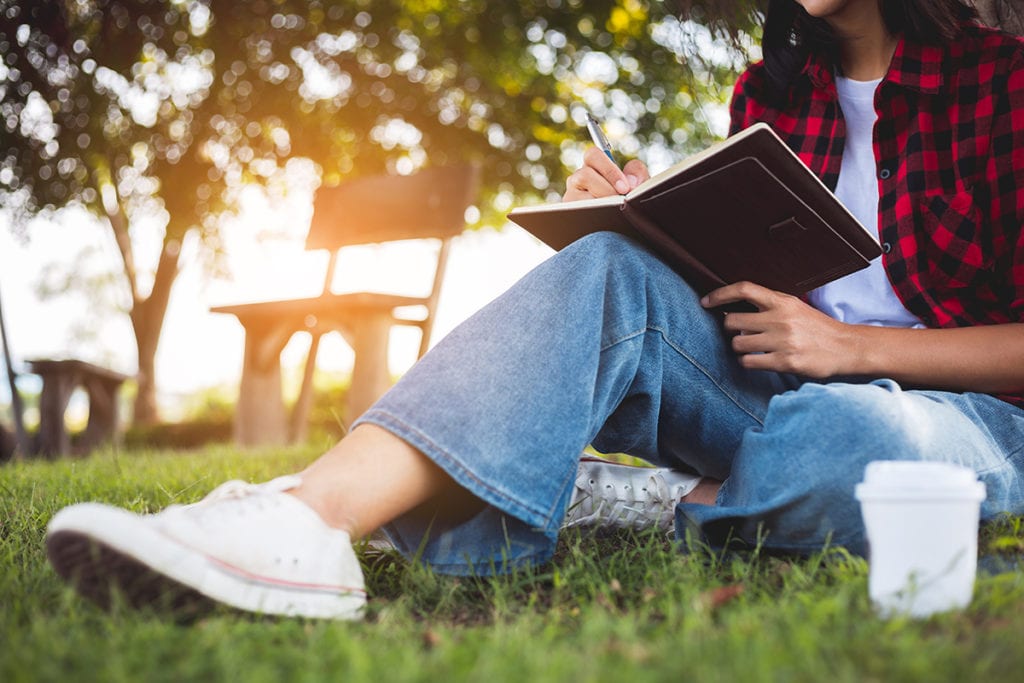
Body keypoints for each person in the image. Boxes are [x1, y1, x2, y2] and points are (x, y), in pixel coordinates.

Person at [46, 0, 1024, 620]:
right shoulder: (769, 93)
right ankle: (305, 516)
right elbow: (754, 284)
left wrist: (850, 348)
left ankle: (607, 499)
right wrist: (655, 219)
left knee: (851, 437)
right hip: (777, 384)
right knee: (607, 263)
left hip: (955, 418)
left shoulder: (1003, 81)